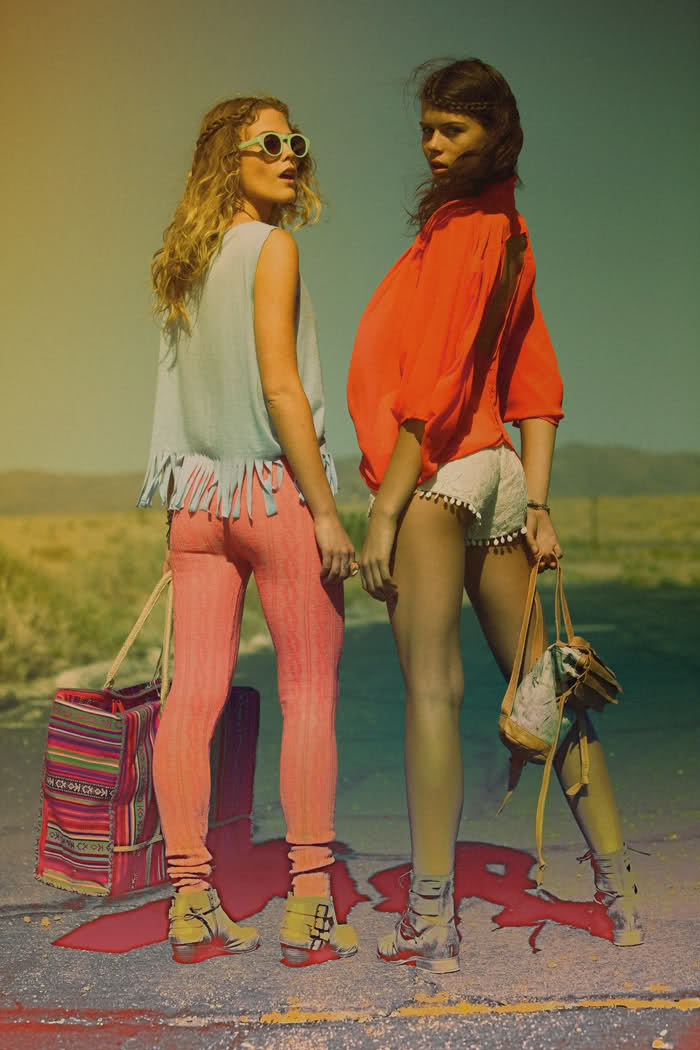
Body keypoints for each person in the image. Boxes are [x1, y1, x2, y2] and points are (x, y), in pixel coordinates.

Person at [347, 58, 643, 973]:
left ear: (496, 133)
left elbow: (431, 394)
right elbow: (537, 388)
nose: (434, 146)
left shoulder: (464, 232)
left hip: (438, 475)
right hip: (500, 473)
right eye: (427, 130)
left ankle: (430, 921)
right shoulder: (510, 233)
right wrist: (538, 503)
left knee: (433, 695)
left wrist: (384, 512)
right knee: (545, 690)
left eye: (454, 130)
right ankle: (621, 896)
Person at [138, 95, 359, 967]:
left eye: (295, 140)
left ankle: (190, 901)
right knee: (308, 694)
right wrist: (327, 511)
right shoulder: (272, 248)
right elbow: (280, 388)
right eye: (268, 142)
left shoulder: (183, 264)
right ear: (226, 161)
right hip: (272, 494)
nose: (289, 153)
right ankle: (310, 903)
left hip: (196, 501)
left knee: (190, 698)